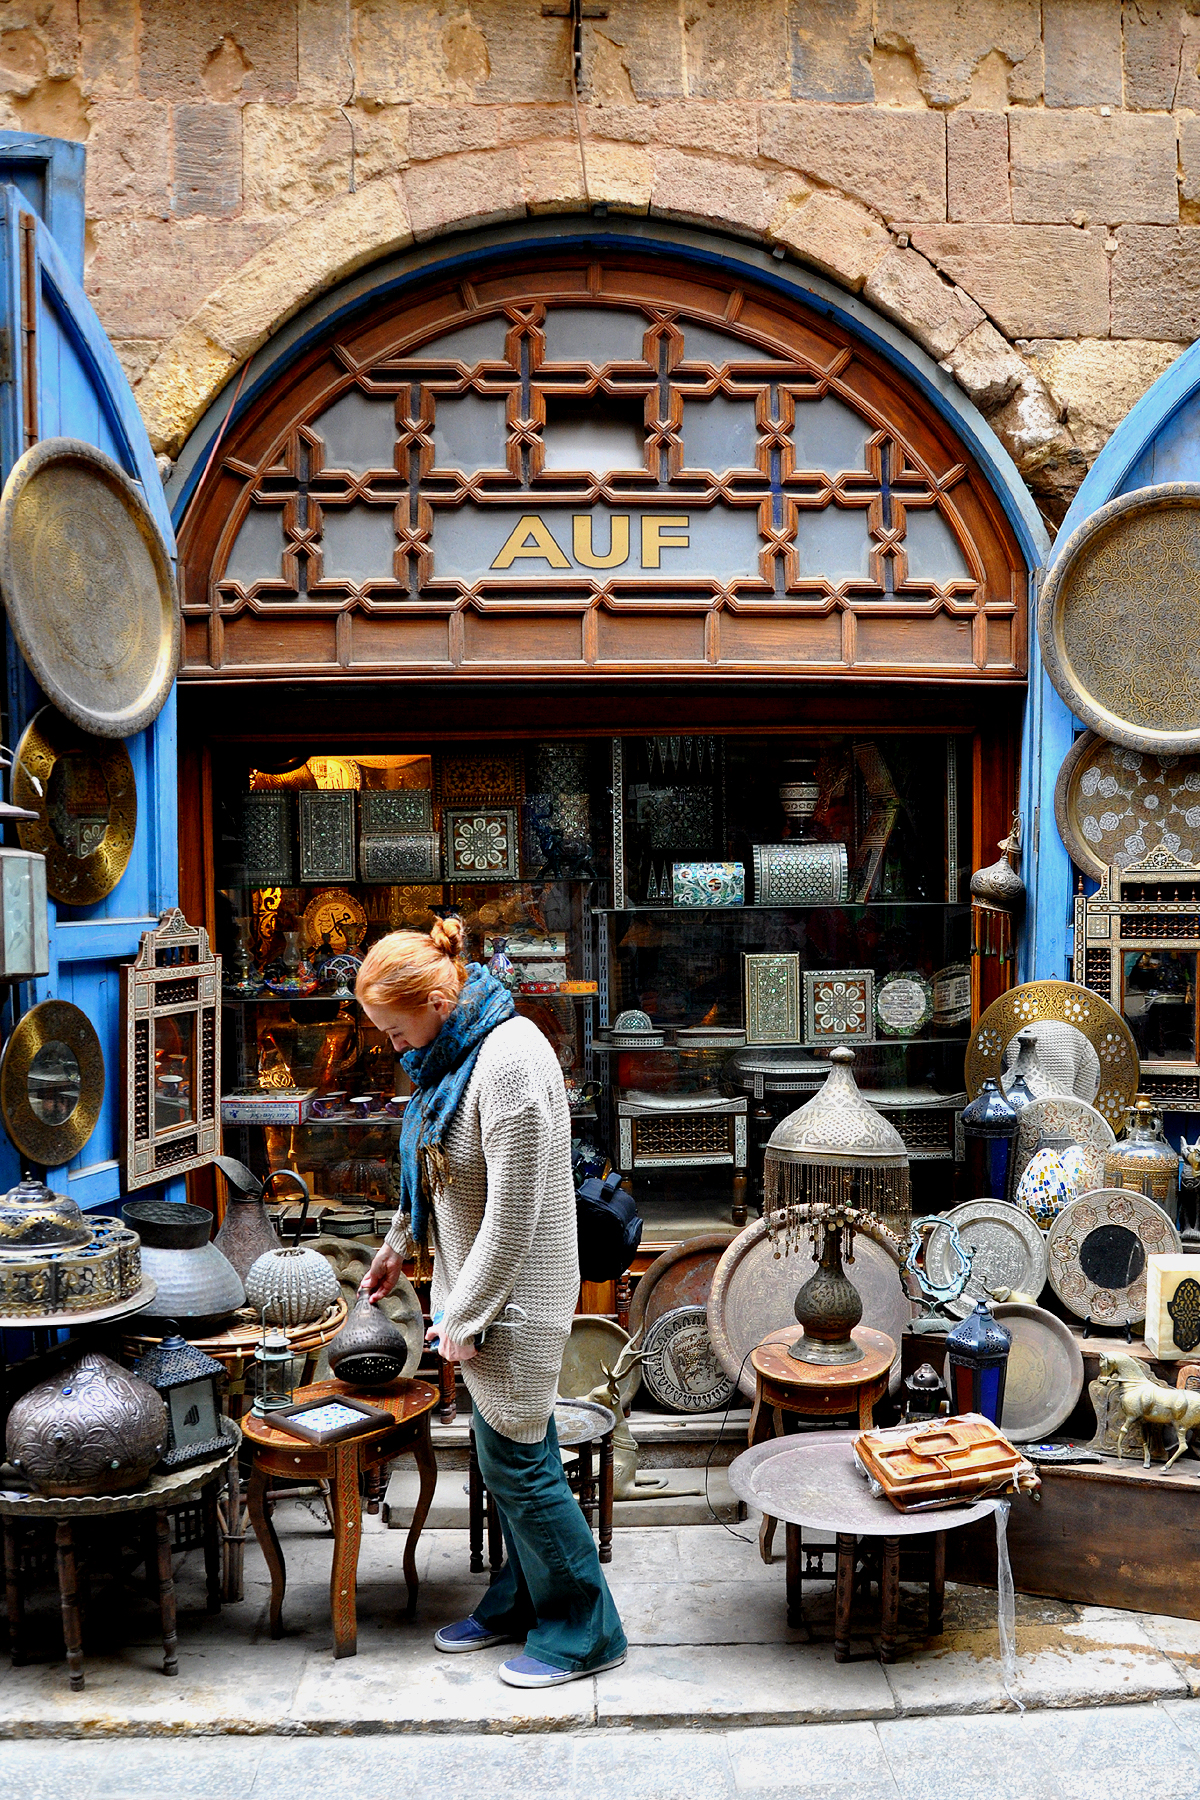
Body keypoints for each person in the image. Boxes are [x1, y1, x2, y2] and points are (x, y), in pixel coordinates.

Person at [357, 916, 627, 1689]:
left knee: (520, 1464)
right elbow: (437, 1171)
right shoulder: (451, 1054)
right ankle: (519, 1599)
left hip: (516, 1300)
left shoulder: (507, 1060)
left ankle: (587, 1626)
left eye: (393, 1027)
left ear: (437, 1000)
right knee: (502, 1452)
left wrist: (466, 1319)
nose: (390, 1044)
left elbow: (514, 1213)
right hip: (473, 1296)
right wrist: (393, 1252)